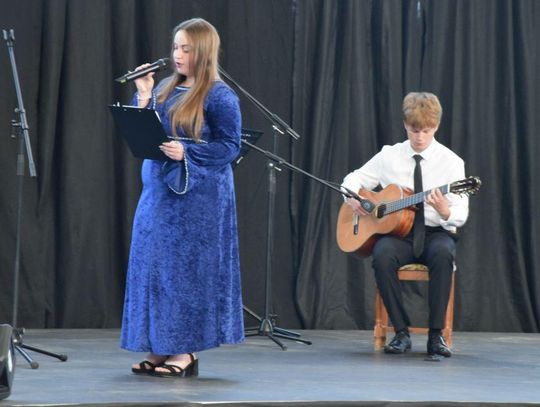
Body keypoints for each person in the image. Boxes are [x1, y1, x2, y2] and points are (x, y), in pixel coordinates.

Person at [120, 18, 244, 377]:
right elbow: (143, 130)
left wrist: (186, 151)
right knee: (154, 269)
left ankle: (185, 349)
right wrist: (144, 94)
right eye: (175, 47)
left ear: (203, 52)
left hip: (196, 203)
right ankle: (160, 345)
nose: (177, 54)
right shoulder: (163, 88)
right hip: (158, 196)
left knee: (185, 273)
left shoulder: (219, 95)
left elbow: (230, 146)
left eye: (186, 49)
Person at [341, 92, 468, 357]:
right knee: (382, 254)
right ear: (405, 125)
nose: (420, 137)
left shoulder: (452, 163)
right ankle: (401, 332)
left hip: (435, 232)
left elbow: (460, 213)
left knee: (443, 253)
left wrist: (444, 210)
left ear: (436, 126)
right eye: (414, 130)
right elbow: (353, 178)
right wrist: (352, 197)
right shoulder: (390, 155)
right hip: (400, 234)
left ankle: (436, 336)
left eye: (426, 130)